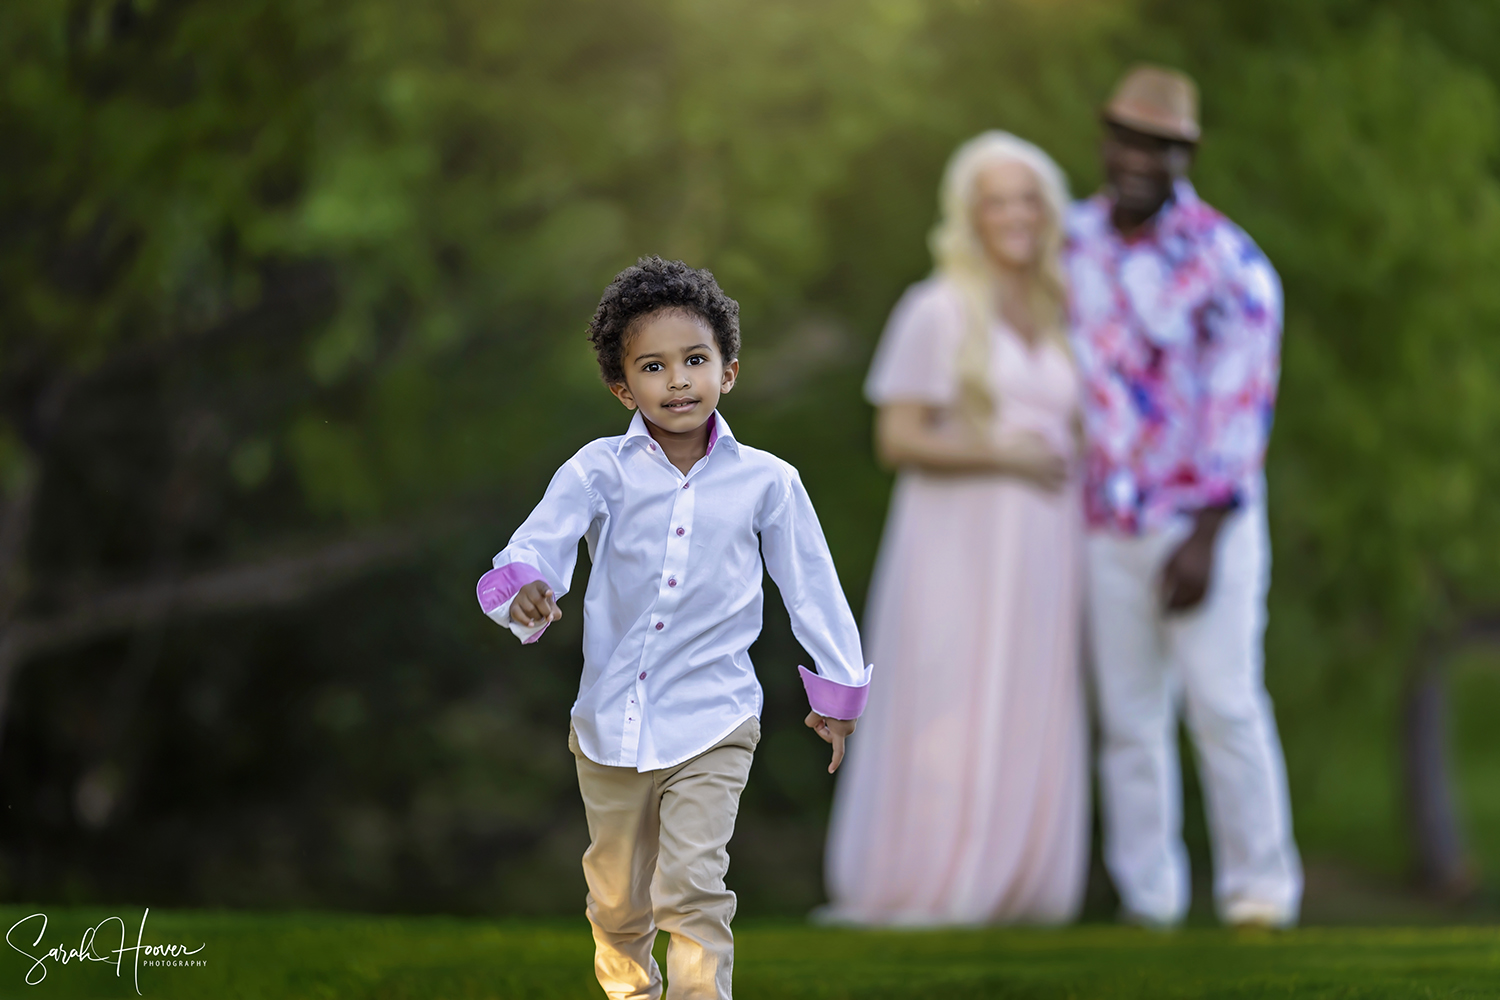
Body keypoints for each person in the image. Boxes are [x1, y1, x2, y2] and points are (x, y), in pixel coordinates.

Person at [475, 257, 871, 1000]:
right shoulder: (599, 471)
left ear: (729, 372)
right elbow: (536, 547)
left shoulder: (768, 482)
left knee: (692, 886)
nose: (678, 381)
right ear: (624, 387)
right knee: (618, 904)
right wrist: (525, 589)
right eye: (654, 367)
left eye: (695, 360)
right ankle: (631, 992)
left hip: (716, 717)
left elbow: (813, 587)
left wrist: (838, 694)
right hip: (610, 724)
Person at [820, 132, 1089, 925]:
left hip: (1047, 542)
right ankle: (939, 876)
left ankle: (1024, 879)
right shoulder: (934, 308)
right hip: (959, 542)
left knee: (1031, 693)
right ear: (970, 217)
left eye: (1027, 198)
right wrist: (999, 455)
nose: (1014, 215)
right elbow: (897, 438)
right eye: (995, 201)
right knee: (955, 691)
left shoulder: (1066, 308)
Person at [1066, 65, 1303, 928]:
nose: (1135, 157)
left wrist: (1203, 536)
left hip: (1207, 523)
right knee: (1129, 722)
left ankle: (1259, 895)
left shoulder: (1229, 264)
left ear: (1186, 153)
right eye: (1124, 137)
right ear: (1106, 140)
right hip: (1103, 519)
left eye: (1157, 145)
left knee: (1225, 705)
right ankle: (1150, 901)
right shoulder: (1073, 241)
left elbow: (1242, 414)